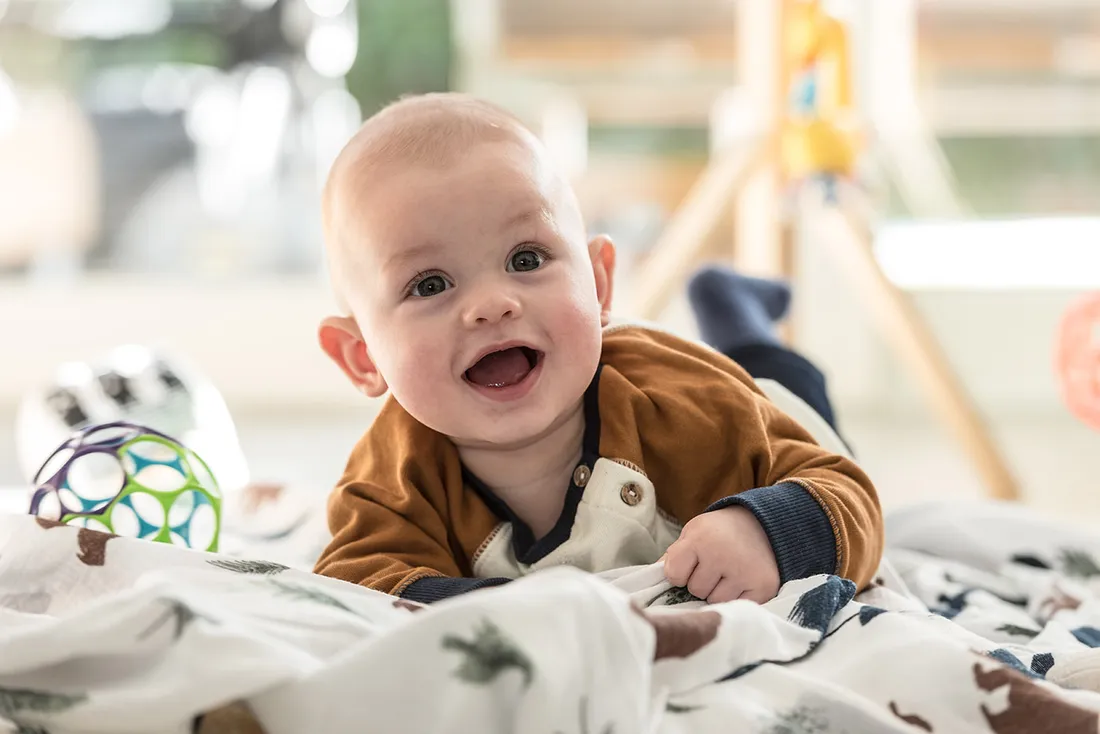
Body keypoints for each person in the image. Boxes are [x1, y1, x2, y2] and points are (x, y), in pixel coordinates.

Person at [312, 92, 883, 605]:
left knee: (784, 384)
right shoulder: (390, 479)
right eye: (430, 284)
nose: (492, 303)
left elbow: (848, 495)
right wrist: (489, 612)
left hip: (767, 401)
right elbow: (355, 583)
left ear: (599, 283)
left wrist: (769, 532)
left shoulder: (685, 403)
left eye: (526, 259)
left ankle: (739, 320)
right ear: (362, 356)